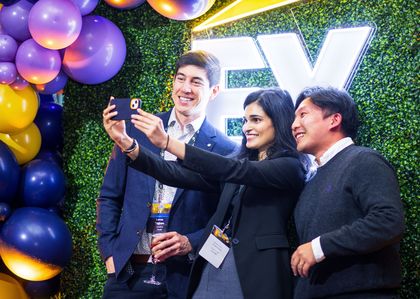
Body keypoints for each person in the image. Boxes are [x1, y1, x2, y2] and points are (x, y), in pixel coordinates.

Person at [103, 87, 308, 299]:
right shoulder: (241, 162)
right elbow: (176, 175)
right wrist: (127, 143)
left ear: (279, 121)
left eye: (256, 120)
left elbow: (235, 170)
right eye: (245, 120)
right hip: (213, 267)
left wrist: (167, 142)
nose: (247, 127)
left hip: (255, 273)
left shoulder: (289, 166)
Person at [97, 50, 238, 299]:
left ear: (214, 91)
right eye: (180, 78)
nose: (185, 88)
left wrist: (191, 243)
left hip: (184, 277)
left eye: (196, 82)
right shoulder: (135, 131)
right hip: (129, 273)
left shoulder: (226, 149)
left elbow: (226, 217)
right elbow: (110, 195)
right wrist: (109, 253)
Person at [290, 87, 405, 298]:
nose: (294, 125)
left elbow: (388, 221)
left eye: (303, 114)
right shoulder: (314, 176)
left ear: (334, 120)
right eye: (294, 118)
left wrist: (319, 247)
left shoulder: (364, 160)